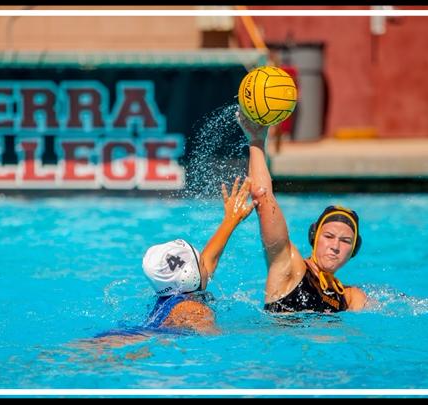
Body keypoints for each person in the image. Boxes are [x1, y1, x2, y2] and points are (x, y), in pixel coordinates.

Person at [69, 176, 259, 353]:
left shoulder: (172, 297)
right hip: (141, 346)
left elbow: (208, 261)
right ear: (190, 277)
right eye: (200, 262)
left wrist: (231, 220)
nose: (205, 263)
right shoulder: (195, 310)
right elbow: (217, 344)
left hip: (129, 336)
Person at [236, 108, 367, 313]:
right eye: (329, 236)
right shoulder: (290, 266)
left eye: (345, 241)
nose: (335, 247)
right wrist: (256, 141)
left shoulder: (349, 297)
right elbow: (263, 197)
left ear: (354, 250)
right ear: (314, 237)